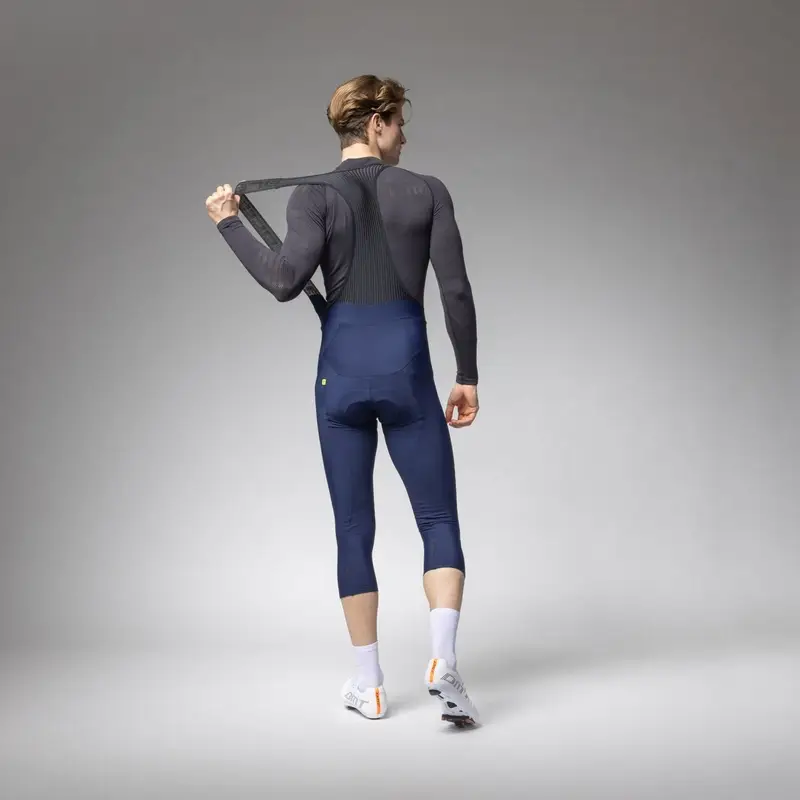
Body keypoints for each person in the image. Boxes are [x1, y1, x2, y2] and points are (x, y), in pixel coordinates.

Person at [205, 75, 480, 726]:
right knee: (438, 520)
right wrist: (467, 374)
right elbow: (456, 291)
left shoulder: (313, 196)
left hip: (341, 376)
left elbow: (283, 281)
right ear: (377, 123)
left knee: (353, 528)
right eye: (400, 122)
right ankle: (443, 661)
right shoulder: (428, 191)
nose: (405, 136)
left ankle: (369, 684)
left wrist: (229, 223)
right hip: (408, 370)